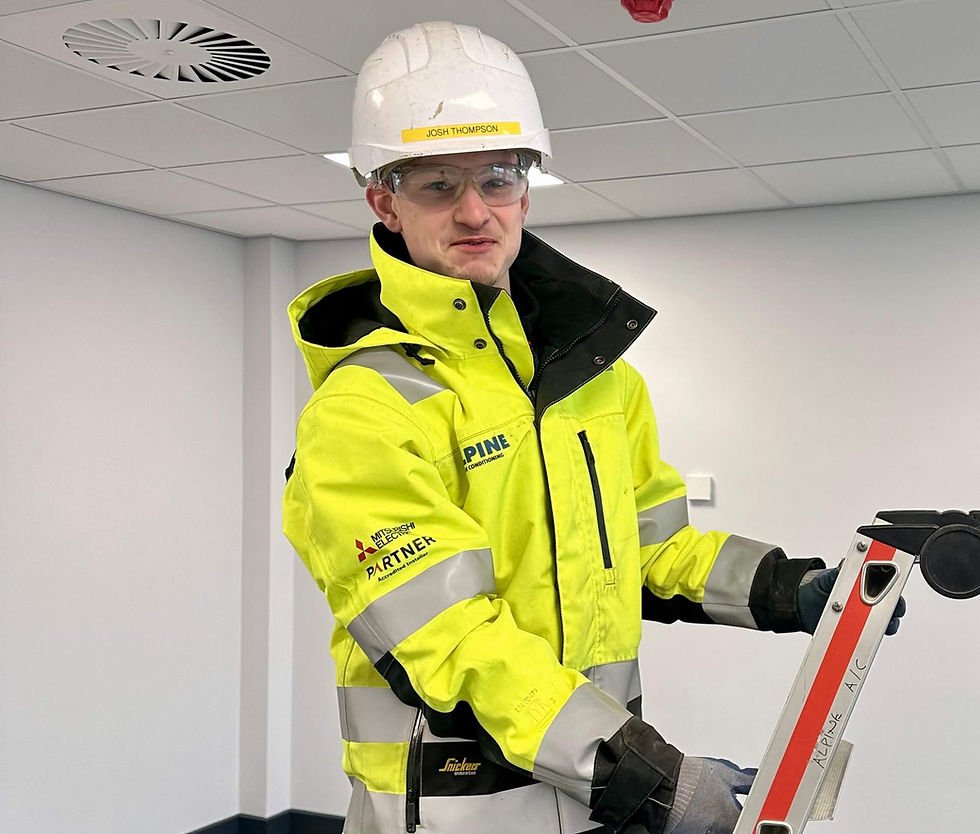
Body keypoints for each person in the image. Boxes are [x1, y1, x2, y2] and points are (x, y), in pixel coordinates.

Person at [282, 21, 902, 834]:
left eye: (498, 179)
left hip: (594, 801)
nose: (475, 210)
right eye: (437, 184)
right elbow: (450, 640)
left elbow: (649, 549)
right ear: (382, 201)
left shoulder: (597, 382)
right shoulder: (363, 410)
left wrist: (796, 591)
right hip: (460, 813)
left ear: (527, 188)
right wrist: (640, 772)